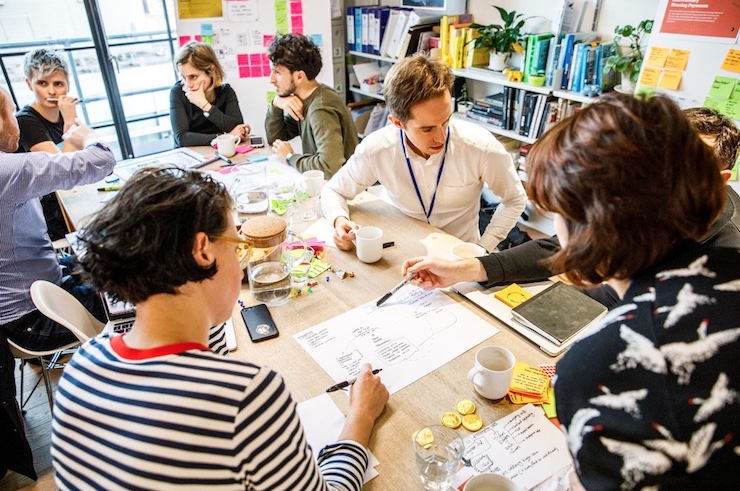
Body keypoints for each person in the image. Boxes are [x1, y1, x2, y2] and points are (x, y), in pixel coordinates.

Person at [51, 167, 389, 490]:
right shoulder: (245, 396)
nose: (243, 257)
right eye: (236, 243)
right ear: (202, 251)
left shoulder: (82, 365)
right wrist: (360, 415)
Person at [402, 106, 740, 302]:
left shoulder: (727, 263)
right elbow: (569, 244)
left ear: (719, 181)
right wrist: (470, 269)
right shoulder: (654, 201)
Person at [0, 86, 115, 480]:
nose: (15, 118)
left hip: (25, 300)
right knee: (138, 277)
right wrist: (84, 134)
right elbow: (101, 159)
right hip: (33, 319)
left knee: (98, 253)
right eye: (9, 112)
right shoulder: (6, 170)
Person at [321, 54, 527, 252]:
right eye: (427, 129)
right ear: (397, 123)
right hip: (399, 250)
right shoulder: (377, 149)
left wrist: (482, 248)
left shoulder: (481, 147)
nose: (441, 136)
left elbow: (515, 199)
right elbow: (334, 190)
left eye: (446, 121)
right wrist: (340, 220)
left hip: (457, 253)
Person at [265, 33, 358, 178]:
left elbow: (329, 166)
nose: (271, 79)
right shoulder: (306, 98)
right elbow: (276, 139)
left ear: (299, 77)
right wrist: (276, 104)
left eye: (277, 72)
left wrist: (290, 158)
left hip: (343, 189)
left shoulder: (320, 108)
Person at [16, 48, 82, 240]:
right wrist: (70, 122)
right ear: (29, 84)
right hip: (41, 213)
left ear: (68, 85)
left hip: (66, 197)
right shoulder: (26, 121)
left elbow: (86, 151)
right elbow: (63, 170)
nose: (51, 91)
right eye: (42, 83)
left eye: (58, 83)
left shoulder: (63, 111)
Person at [170, 41, 250, 147]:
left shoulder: (226, 91)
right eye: (183, 77)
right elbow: (182, 138)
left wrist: (205, 106)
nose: (188, 85)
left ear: (211, 71)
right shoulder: (177, 93)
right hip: (191, 155)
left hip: (221, 153)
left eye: (193, 77)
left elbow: (238, 128)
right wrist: (224, 137)